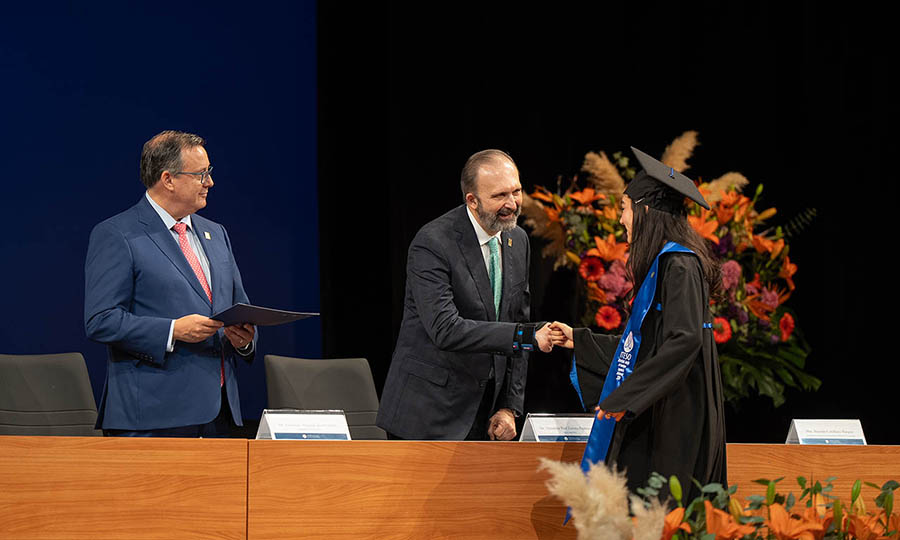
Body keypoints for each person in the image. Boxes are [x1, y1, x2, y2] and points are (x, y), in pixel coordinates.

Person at [548, 146, 727, 502]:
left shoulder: (680, 264)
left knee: (667, 509)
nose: (620, 220)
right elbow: (643, 346)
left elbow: (684, 340)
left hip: (678, 414)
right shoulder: (666, 264)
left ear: (645, 210)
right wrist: (579, 340)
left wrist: (627, 397)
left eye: (624, 209)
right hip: (659, 405)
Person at [84, 130, 256, 437]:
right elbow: (101, 320)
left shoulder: (216, 234)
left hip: (219, 415)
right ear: (168, 179)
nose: (210, 182)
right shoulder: (117, 234)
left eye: (209, 172)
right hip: (153, 415)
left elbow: (238, 307)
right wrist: (173, 330)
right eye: (201, 174)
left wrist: (244, 340)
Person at [376, 149, 553, 441]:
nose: (512, 204)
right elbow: (445, 329)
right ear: (472, 200)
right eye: (500, 196)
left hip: (485, 414)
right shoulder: (433, 242)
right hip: (427, 415)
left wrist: (509, 407)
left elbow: (518, 320)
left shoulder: (518, 240)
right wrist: (526, 335)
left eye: (516, 191)